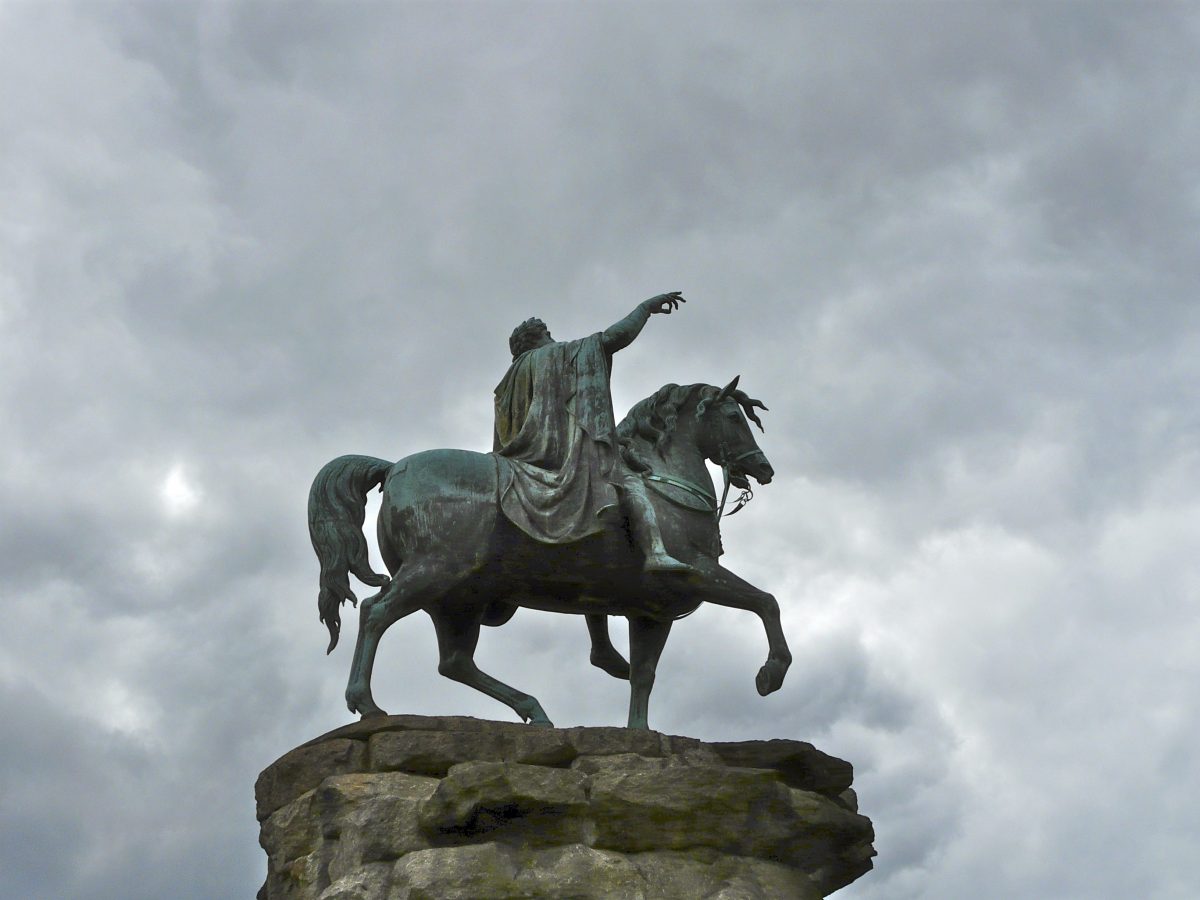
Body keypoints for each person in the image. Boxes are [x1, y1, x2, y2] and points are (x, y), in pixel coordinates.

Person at [493, 292, 694, 574]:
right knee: (632, 484)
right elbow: (613, 338)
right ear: (538, 338)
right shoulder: (557, 354)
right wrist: (645, 308)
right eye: (547, 333)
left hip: (522, 462)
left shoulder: (506, 383)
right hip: (567, 457)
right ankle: (655, 552)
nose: (552, 337)